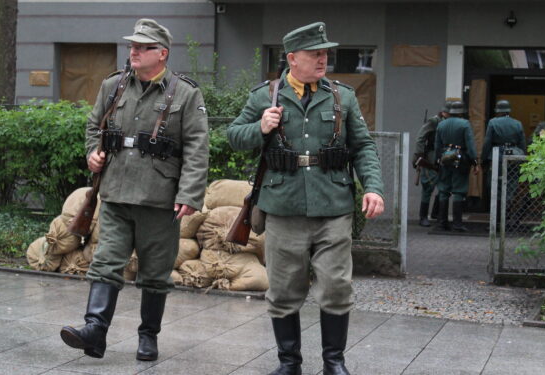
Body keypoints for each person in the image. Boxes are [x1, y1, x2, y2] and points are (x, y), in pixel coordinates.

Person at [227, 22, 384, 375]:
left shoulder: (343, 96)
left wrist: (373, 187)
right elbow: (233, 136)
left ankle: (334, 363)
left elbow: (363, 147)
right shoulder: (264, 96)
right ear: (292, 58)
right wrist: (260, 127)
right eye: (316, 53)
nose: (323, 59)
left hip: (334, 208)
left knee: (336, 286)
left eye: (325, 53)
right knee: (283, 290)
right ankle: (289, 364)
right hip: (283, 208)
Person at [60, 18, 209, 362]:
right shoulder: (114, 85)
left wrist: (189, 194)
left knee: (156, 272)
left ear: (162, 54)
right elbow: (93, 126)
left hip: (159, 199)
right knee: (105, 263)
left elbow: (198, 147)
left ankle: (148, 337)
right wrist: (93, 153)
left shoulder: (185, 93)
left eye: (142, 47)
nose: (134, 52)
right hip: (115, 193)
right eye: (132, 46)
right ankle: (94, 332)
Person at [434, 100, 479, 232]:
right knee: (458, 190)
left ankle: (442, 223)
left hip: (444, 159)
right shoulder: (465, 124)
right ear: (462, 112)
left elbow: (437, 146)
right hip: (461, 161)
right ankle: (457, 224)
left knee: (443, 190)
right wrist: (475, 162)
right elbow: (470, 145)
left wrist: (438, 160)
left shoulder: (441, 124)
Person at [482, 100, 526, 226]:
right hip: (513, 157)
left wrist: (483, 159)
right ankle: (505, 221)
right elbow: (522, 143)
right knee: (510, 187)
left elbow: (487, 142)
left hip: (497, 156)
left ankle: (495, 221)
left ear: (498, 111)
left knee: (495, 187)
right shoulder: (517, 123)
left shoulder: (493, 122)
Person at [413, 102, 450, 227]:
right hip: (431, 157)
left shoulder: (450, 122)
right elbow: (421, 137)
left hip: (445, 156)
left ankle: (436, 213)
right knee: (428, 186)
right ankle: (423, 216)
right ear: (444, 112)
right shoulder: (434, 121)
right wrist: (419, 155)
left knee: (444, 186)